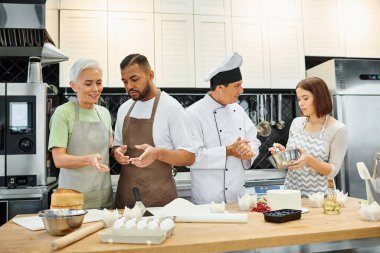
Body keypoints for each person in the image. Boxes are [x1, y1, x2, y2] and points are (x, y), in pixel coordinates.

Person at [112, 53, 195, 208]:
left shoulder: (172, 108)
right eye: (125, 81)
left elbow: (189, 157)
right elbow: (116, 145)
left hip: (160, 201)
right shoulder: (124, 109)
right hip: (126, 199)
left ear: (151, 75)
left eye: (134, 79)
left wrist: (157, 153)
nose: (129, 86)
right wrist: (116, 153)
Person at [186, 52, 261, 204]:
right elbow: (192, 158)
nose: (241, 91)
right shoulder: (193, 114)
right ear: (220, 87)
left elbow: (254, 141)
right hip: (207, 201)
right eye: (237, 86)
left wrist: (249, 152)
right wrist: (228, 151)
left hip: (238, 199)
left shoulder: (238, 110)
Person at [48, 59, 113, 209]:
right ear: (73, 85)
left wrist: (118, 149)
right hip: (71, 200)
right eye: (88, 84)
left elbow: (108, 144)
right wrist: (88, 160)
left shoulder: (104, 113)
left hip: (102, 197)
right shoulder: (63, 113)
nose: (96, 89)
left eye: (99, 82)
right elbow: (59, 160)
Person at [269, 77, 348, 197]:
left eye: (305, 98)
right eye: (299, 99)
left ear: (320, 97)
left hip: (320, 199)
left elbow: (333, 171)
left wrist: (308, 159)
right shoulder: (297, 123)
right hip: (290, 195)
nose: (301, 103)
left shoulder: (337, 129)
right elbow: (295, 160)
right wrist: (283, 154)